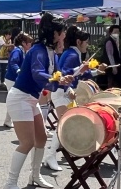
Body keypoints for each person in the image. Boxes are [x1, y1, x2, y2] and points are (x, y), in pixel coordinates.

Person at [2, 13, 73, 189]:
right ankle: (10, 184)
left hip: (30, 99)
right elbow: (37, 73)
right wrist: (55, 79)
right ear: (56, 34)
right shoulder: (38, 50)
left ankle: (34, 176)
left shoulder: (51, 53)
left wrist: (68, 78)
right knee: (27, 142)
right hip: (19, 98)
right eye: (63, 33)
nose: (64, 36)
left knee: (41, 138)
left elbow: (53, 83)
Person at [45, 26, 106, 170]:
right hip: (60, 91)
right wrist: (83, 70)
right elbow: (65, 73)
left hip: (64, 91)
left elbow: (79, 75)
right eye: (86, 42)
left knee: (65, 123)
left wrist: (95, 71)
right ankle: (50, 155)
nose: (88, 45)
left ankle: (57, 153)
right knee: (63, 124)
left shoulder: (72, 52)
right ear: (79, 41)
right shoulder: (72, 54)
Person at [1, 32, 33, 128]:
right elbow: (13, 62)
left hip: (13, 78)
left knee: (13, 100)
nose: (31, 44)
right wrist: (19, 70)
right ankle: (9, 121)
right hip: (11, 78)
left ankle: (8, 121)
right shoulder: (17, 51)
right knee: (14, 100)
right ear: (23, 43)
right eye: (29, 42)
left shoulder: (21, 51)